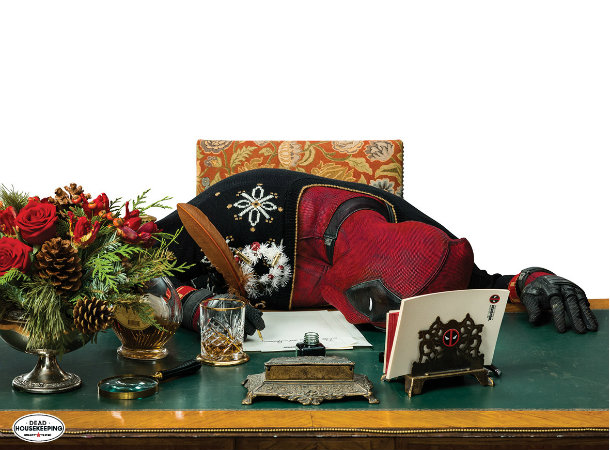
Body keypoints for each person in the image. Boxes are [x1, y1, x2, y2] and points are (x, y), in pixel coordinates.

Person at [158, 168, 598, 336]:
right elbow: (131, 263)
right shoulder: (240, 204)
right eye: (380, 309)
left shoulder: (414, 230)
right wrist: (189, 304)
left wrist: (534, 278)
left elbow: (482, 283)